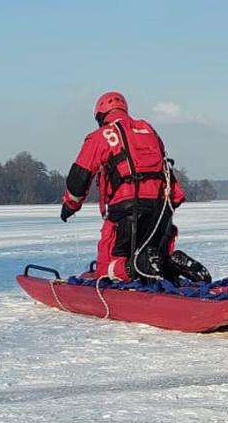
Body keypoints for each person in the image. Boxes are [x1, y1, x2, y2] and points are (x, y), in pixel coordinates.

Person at [61, 91, 209, 283]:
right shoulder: (147, 130)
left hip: (127, 212)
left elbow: (78, 179)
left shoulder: (102, 135)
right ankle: (170, 263)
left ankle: (136, 265)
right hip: (162, 210)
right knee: (152, 256)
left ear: (100, 115)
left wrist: (70, 206)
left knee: (107, 270)